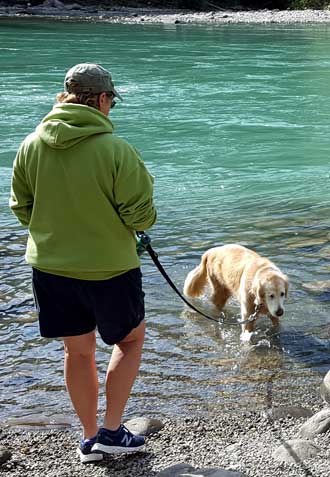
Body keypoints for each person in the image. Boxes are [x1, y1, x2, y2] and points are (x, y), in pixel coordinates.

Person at [9, 63, 157, 463]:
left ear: (66, 96)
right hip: (110, 268)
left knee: (77, 352)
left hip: (50, 270)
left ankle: (89, 438)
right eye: (111, 101)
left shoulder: (30, 144)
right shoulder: (117, 150)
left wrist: (56, 232)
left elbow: (22, 207)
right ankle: (112, 430)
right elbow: (140, 217)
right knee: (129, 340)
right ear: (103, 99)